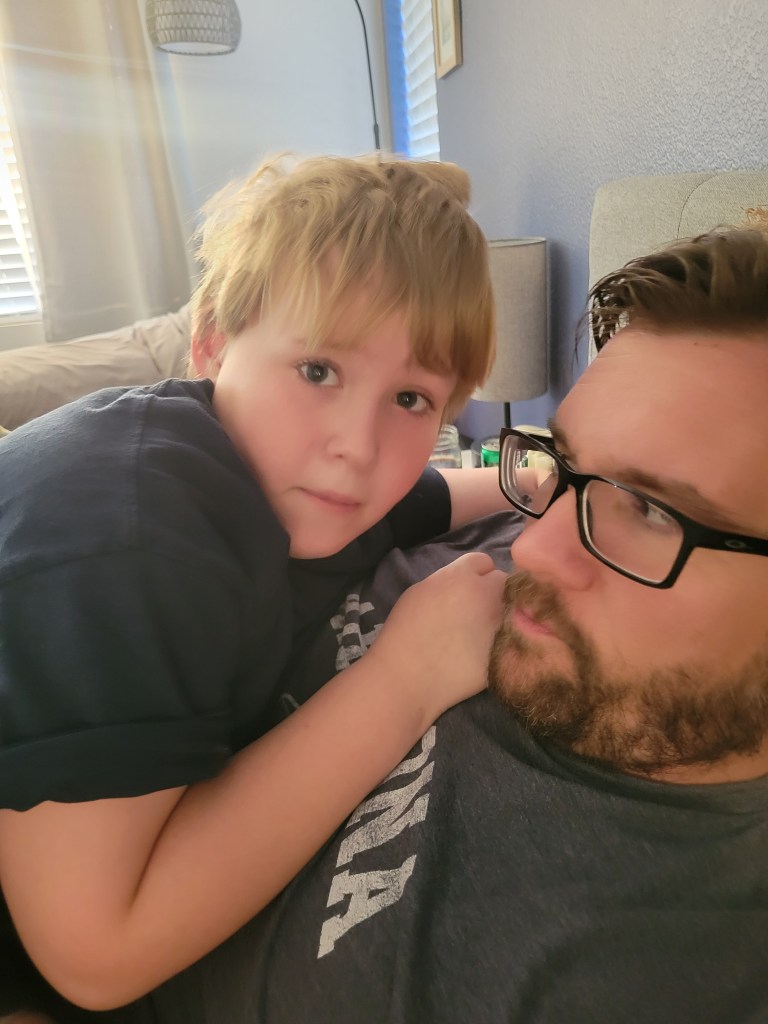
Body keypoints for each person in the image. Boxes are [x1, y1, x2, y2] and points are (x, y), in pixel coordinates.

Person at [136, 226, 768, 1024]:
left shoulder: (650, 976)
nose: (532, 550)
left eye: (649, 510)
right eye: (568, 468)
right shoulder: (511, 530)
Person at [0, 153, 511, 1021]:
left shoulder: (277, 475)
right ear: (211, 341)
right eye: (318, 371)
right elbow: (94, 955)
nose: (359, 448)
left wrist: (533, 482)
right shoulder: (137, 537)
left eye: (412, 400)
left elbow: (421, 496)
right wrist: (407, 676)